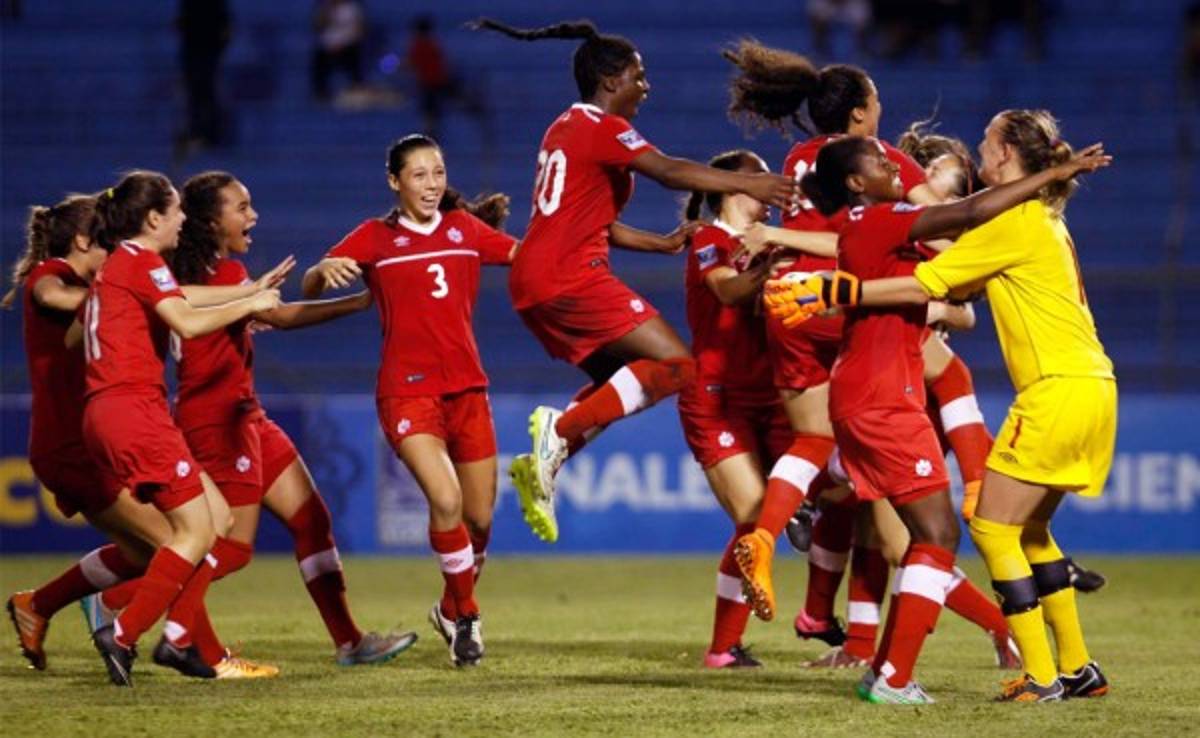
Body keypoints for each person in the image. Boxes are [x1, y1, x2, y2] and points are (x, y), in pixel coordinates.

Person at [763, 129, 1110, 702]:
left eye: (987, 145)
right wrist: (1052, 177)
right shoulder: (891, 218)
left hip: (884, 391)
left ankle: (908, 668)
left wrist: (833, 288)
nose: (892, 163)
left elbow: (956, 275)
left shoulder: (873, 224)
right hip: (890, 396)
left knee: (953, 533)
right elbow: (962, 222)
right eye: (878, 159)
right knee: (945, 534)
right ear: (855, 182)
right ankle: (908, 673)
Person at [471, 19, 799, 543]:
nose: (645, 87)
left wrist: (661, 243)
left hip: (536, 278)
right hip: (570, 275)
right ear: (609, 81)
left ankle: (551, 458)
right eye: (637, 77)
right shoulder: (602, 127)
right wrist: (748, 180)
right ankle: (559, 432)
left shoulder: (563, 128)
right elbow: (668, 170)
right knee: (677, 366)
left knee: (621, 381)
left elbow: (586, 217)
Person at [123, 170, 417, 668]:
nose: (253, 216)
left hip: (247, 415)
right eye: (241, 207)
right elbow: (273, 316)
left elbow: (275, 315)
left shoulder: (200, 275)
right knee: (231, 550)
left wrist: (364, 302)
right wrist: (361, 303)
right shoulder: (217, 279)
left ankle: (349, 641)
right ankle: (119, 603)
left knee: (312, 521)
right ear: (211, 221)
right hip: (217, 421)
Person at [720, 41, 941, 631]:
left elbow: (808, 229)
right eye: (876, 102)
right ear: (859, 116)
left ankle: (783, 530)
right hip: (844, 304)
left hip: (786, 304)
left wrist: (772, 239)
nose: (881, 112)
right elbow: (937, 223)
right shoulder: (879, 160)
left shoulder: (798, 155)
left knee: (818, 443)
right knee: (940, 358)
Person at [302, 134, 515, 667]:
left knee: (480, 518)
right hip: (407, 392)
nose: (431, 183)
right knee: (445, 501)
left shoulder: (465, 230)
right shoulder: (375, 237)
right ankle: (467, 619)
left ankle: (448, 608)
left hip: (467, 389)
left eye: (438, 172)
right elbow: (311, 282)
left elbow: (525, 257)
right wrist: (321, 273)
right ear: (394, 181)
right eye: (419, 175)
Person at [82, 170, 284, 686]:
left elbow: (185, 296)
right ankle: (124, 633)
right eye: (175, 211)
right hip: (133, 411)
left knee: (216, 520)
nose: (183, 221)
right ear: (153, 218)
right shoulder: (141, 261)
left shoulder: (126, 263)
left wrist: (250, 288)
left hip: (116, 411)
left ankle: (171, 637)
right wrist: (250, 303)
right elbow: (186, 321)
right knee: (195, 530)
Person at [4, 195, 169, 672]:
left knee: (142, 552)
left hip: (80, 444)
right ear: (82, 241)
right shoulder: (52, 274)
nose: (116, 252)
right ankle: (189, 645)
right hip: (70, 445)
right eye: (108, 243)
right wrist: (118, 294)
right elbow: (49, 294)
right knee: (178, 544)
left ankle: (38, 604)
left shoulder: (85, 284)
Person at [678, 150, 794, 669]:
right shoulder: (708, 240)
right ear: (730, 188)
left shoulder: (771, 241)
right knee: (753, 517)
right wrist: (772, 265)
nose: (772, 192)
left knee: (828, 481)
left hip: (772, 395)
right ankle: (722, 648)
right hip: (716, 398)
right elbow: (727, 291)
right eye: (761, 181)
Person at [311, 0, 367, 101]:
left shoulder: (352, 8)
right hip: (327, 48)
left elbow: (360, 31)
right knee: (319, 61)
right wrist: (327, 12)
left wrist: (343, 43)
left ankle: (356, 89)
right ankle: (320, 94)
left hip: (348, 45)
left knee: (354, 57)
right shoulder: (324, 8)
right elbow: (318, 27)